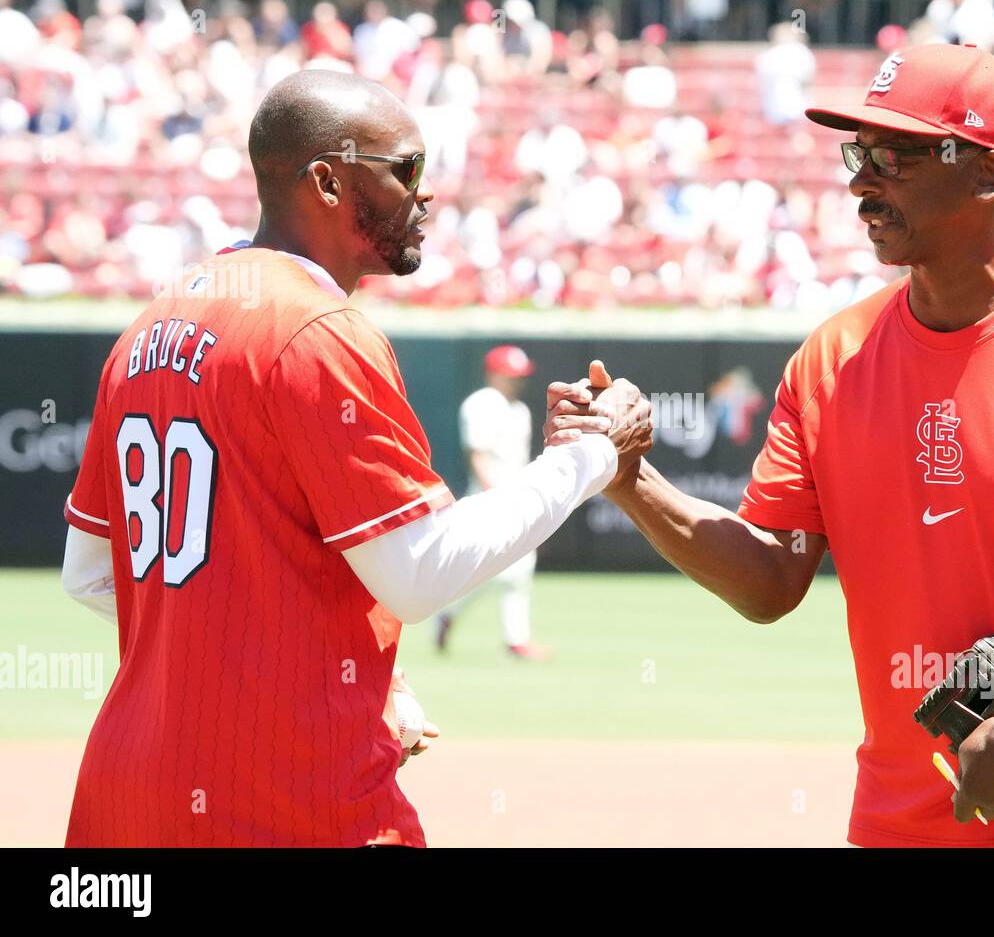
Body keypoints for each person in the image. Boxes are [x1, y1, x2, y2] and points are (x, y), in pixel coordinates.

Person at [550, 44, 994, 847]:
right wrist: (630, 480)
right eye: (859, 154)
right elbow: (770, 578)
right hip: (901, 819)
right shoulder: (831, 360)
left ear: (990, 174)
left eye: (899, 156)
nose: (863, 181)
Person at [59, 70, 648, 847]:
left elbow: (91, 574)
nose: (425, 193)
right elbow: (418, 573)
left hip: (123, 801)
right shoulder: (318, 330)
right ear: (328, 180)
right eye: (406, 168)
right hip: (287, 801)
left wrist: (320, 666)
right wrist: (587, 457)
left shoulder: (150, 322)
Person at [434, 345, 550, 660]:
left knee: (518, 569)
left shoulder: (520, 410)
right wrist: (495, 496)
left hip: (516, 496)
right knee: (488, 569)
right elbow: (478, 455)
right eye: (510, 374)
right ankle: (448, 611)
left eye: (520, 375)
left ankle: (516, 639)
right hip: (489, 497)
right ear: (493, 373)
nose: (516, 381)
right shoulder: (482, 404)